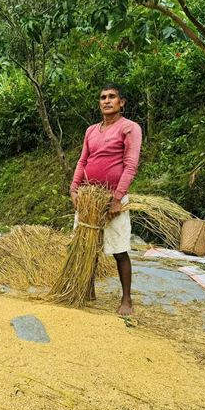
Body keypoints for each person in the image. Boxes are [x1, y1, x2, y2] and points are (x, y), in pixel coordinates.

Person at [70, 83, 142, 316]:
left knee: (119, 249)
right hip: (88, 197)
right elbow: (83, 162)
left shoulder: (129, 128)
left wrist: (117, 199)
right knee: (86, 244)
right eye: (103, 97)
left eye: (112, 97)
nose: (107, 101)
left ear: (122, 103)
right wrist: (74, 189)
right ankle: (86, 290)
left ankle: (126, 299)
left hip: (113, 197)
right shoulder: (91, 130)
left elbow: (130, 166)